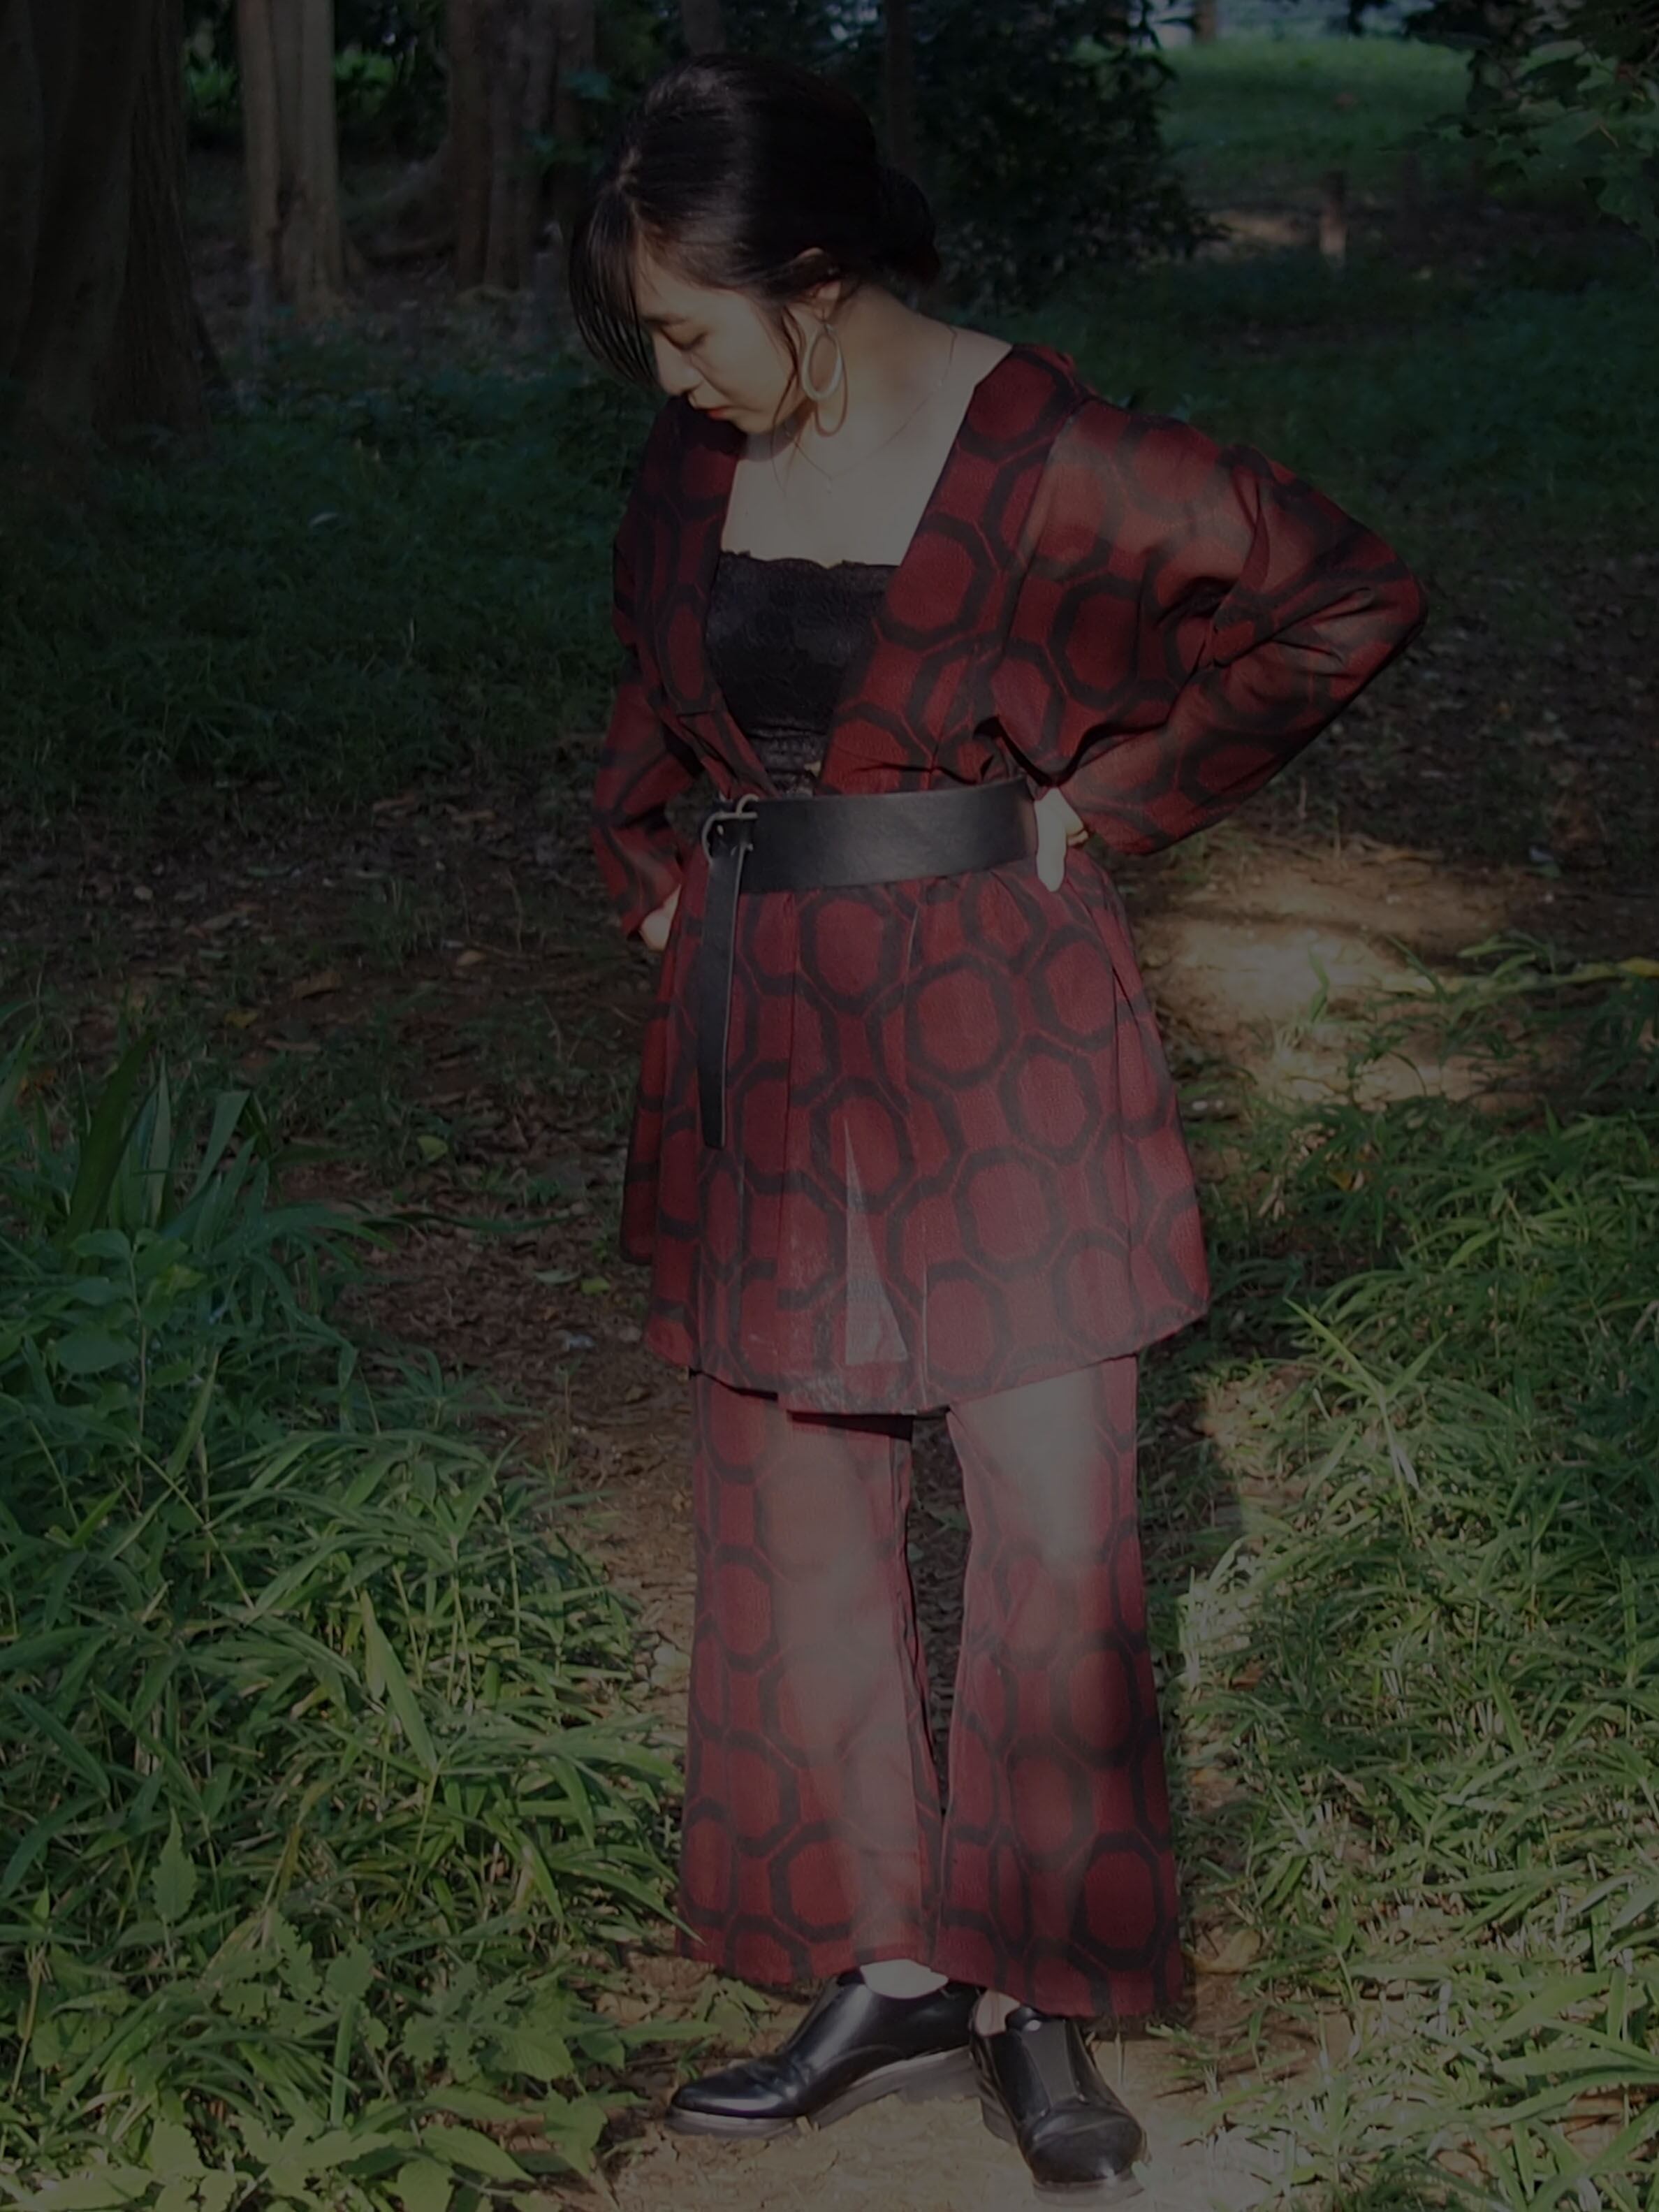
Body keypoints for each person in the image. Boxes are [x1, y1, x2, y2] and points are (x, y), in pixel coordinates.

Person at [567, 50, 1427, 2206]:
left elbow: (1338, 591)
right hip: (765, 1032)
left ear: (815, 272)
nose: (669, 375)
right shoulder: (695, 461)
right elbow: (653, 698)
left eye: (687, 324)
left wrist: (1110, 800)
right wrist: (661, 869)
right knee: (799, 1501)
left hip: (1001, 1025)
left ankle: (1038, 1985)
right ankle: (891, 1964)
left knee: (1048, 1504)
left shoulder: (1055, 456)